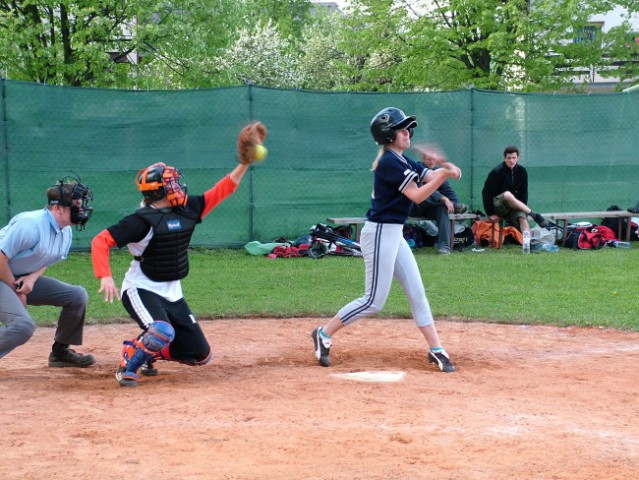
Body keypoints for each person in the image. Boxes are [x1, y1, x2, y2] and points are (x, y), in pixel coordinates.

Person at [91, 121, 267, 387]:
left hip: (173, 292)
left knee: (200, 355)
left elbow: (223, 189)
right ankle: (130, 357)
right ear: (159, 191)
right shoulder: (140, 220)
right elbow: (100, 241)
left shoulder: (187, 209)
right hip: (141, 288)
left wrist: (244, 163)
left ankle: (150, 351)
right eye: (171, 183)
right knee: (162, 330)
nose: (178, 186)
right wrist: (105, 276)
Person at [311, 107, 461, 373]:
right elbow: (416, 195)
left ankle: (436, 349)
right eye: (401, 129)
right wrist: (444, 175)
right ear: (388, 135)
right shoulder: (389, 162)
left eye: (407, 128)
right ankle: (323, 333)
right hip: (380, 232)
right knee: (373, 301)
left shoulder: (403, 161)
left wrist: (445, 168)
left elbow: (429, 175)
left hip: (394, 233)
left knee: (417, 293)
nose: (407, 132)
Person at [0, 177, 96, 367]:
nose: (81, 209)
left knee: (77, 296)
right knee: (23, 326)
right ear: (57, 208)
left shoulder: (65, 231)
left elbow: (46, 259)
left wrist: (32, 278)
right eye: (75, 205)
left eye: (81, 204)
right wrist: (16, 290)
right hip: (4, 274)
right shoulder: (31, 224)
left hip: (15, 276)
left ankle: (60, 352)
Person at [410, 144, 469, 255]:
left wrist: (454, 204)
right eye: (428, 159)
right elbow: (421, 190)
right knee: (429, 196)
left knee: (442, 208)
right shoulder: (417, 168)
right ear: (423, 159)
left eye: (434, 159)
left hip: (430, 208)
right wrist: (444, 199)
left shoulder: (439, 172)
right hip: (414, 206)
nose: (431, 161)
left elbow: (448, 191)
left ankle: (444, 247)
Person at [482, 145, 548, 235]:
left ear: (518, 158)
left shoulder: (522, 171)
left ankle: (528, 244)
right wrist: (490, 213)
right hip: (498, 205)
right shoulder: (496, 172)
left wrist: (522, 209)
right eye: (509, 158)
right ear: (504, 158)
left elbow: (524, 192)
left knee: (522, 217)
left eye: (514, 158)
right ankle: (534, 215)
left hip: (513, 205)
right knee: (507, 195)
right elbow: (486, 193)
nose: (511, 160)